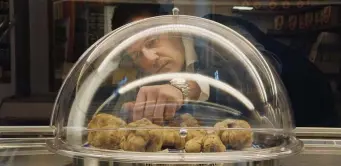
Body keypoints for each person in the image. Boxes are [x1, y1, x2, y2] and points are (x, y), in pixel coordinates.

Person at [106, 3, 338, 127]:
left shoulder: (217, 31)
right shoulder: (150, 72)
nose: (149, 59)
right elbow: (119, 110)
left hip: (313, 119)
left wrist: (184, 87)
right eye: (136, 55)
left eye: (153, 41)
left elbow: (262, 69)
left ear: (173, 24)